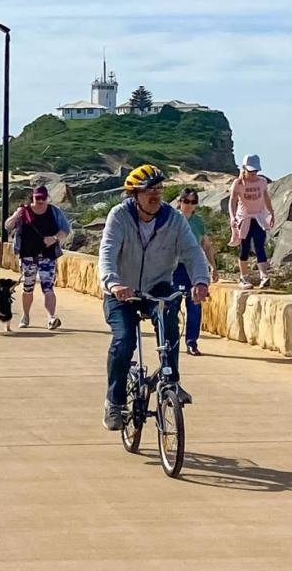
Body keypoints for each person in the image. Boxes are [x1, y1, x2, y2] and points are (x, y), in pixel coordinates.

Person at [98, 164, 210, 431]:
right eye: (148, 190)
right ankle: (114, 402)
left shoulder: (173, 219)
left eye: (159, 189)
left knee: (170, 319)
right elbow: (107, 252)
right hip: (121, 290)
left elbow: (192, 252)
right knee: (124, 340)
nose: (155, 195)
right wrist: (113, 284)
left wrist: (200, 281)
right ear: (134, 195)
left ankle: (172, 381)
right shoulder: (119, 216)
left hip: (157, 286)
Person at [4, 185, 71, 330]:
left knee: (48, 287)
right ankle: (26, 316)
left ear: (47, 198)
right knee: (28, 287)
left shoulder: (54, 211)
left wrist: (54, 238)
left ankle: (51, 318)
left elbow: (65, 229)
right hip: (28, 255)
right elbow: (8, 226)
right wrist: (16, 215)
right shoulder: (24, 211)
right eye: (37, 198)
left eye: (43, 198)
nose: (40, 201)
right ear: (32, 197)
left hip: (48, 255)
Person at [176, 187, 220, 356]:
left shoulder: (198, 221)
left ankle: (191, 342)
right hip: (174, 266)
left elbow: (206, 245)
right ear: (180, 202)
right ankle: (169, 340)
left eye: (193, 202)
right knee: (172, 304)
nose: (189, 205)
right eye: (186, 201)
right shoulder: (172, 219)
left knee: (195, 304)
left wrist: (213, 267)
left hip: (193, 267)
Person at [229, 154, 275, 288]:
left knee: (260, 245)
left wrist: (271, 212)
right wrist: (232, 217)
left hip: (259, 217)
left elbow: (265, 196)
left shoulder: (262, 182)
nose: (253, 173)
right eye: (251, 171)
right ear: (244, 168)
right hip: (244, 217)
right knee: (245, 247)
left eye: (255, 171)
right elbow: (232, 201)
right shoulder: (238, 183)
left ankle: (264, 276)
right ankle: (243, 277)